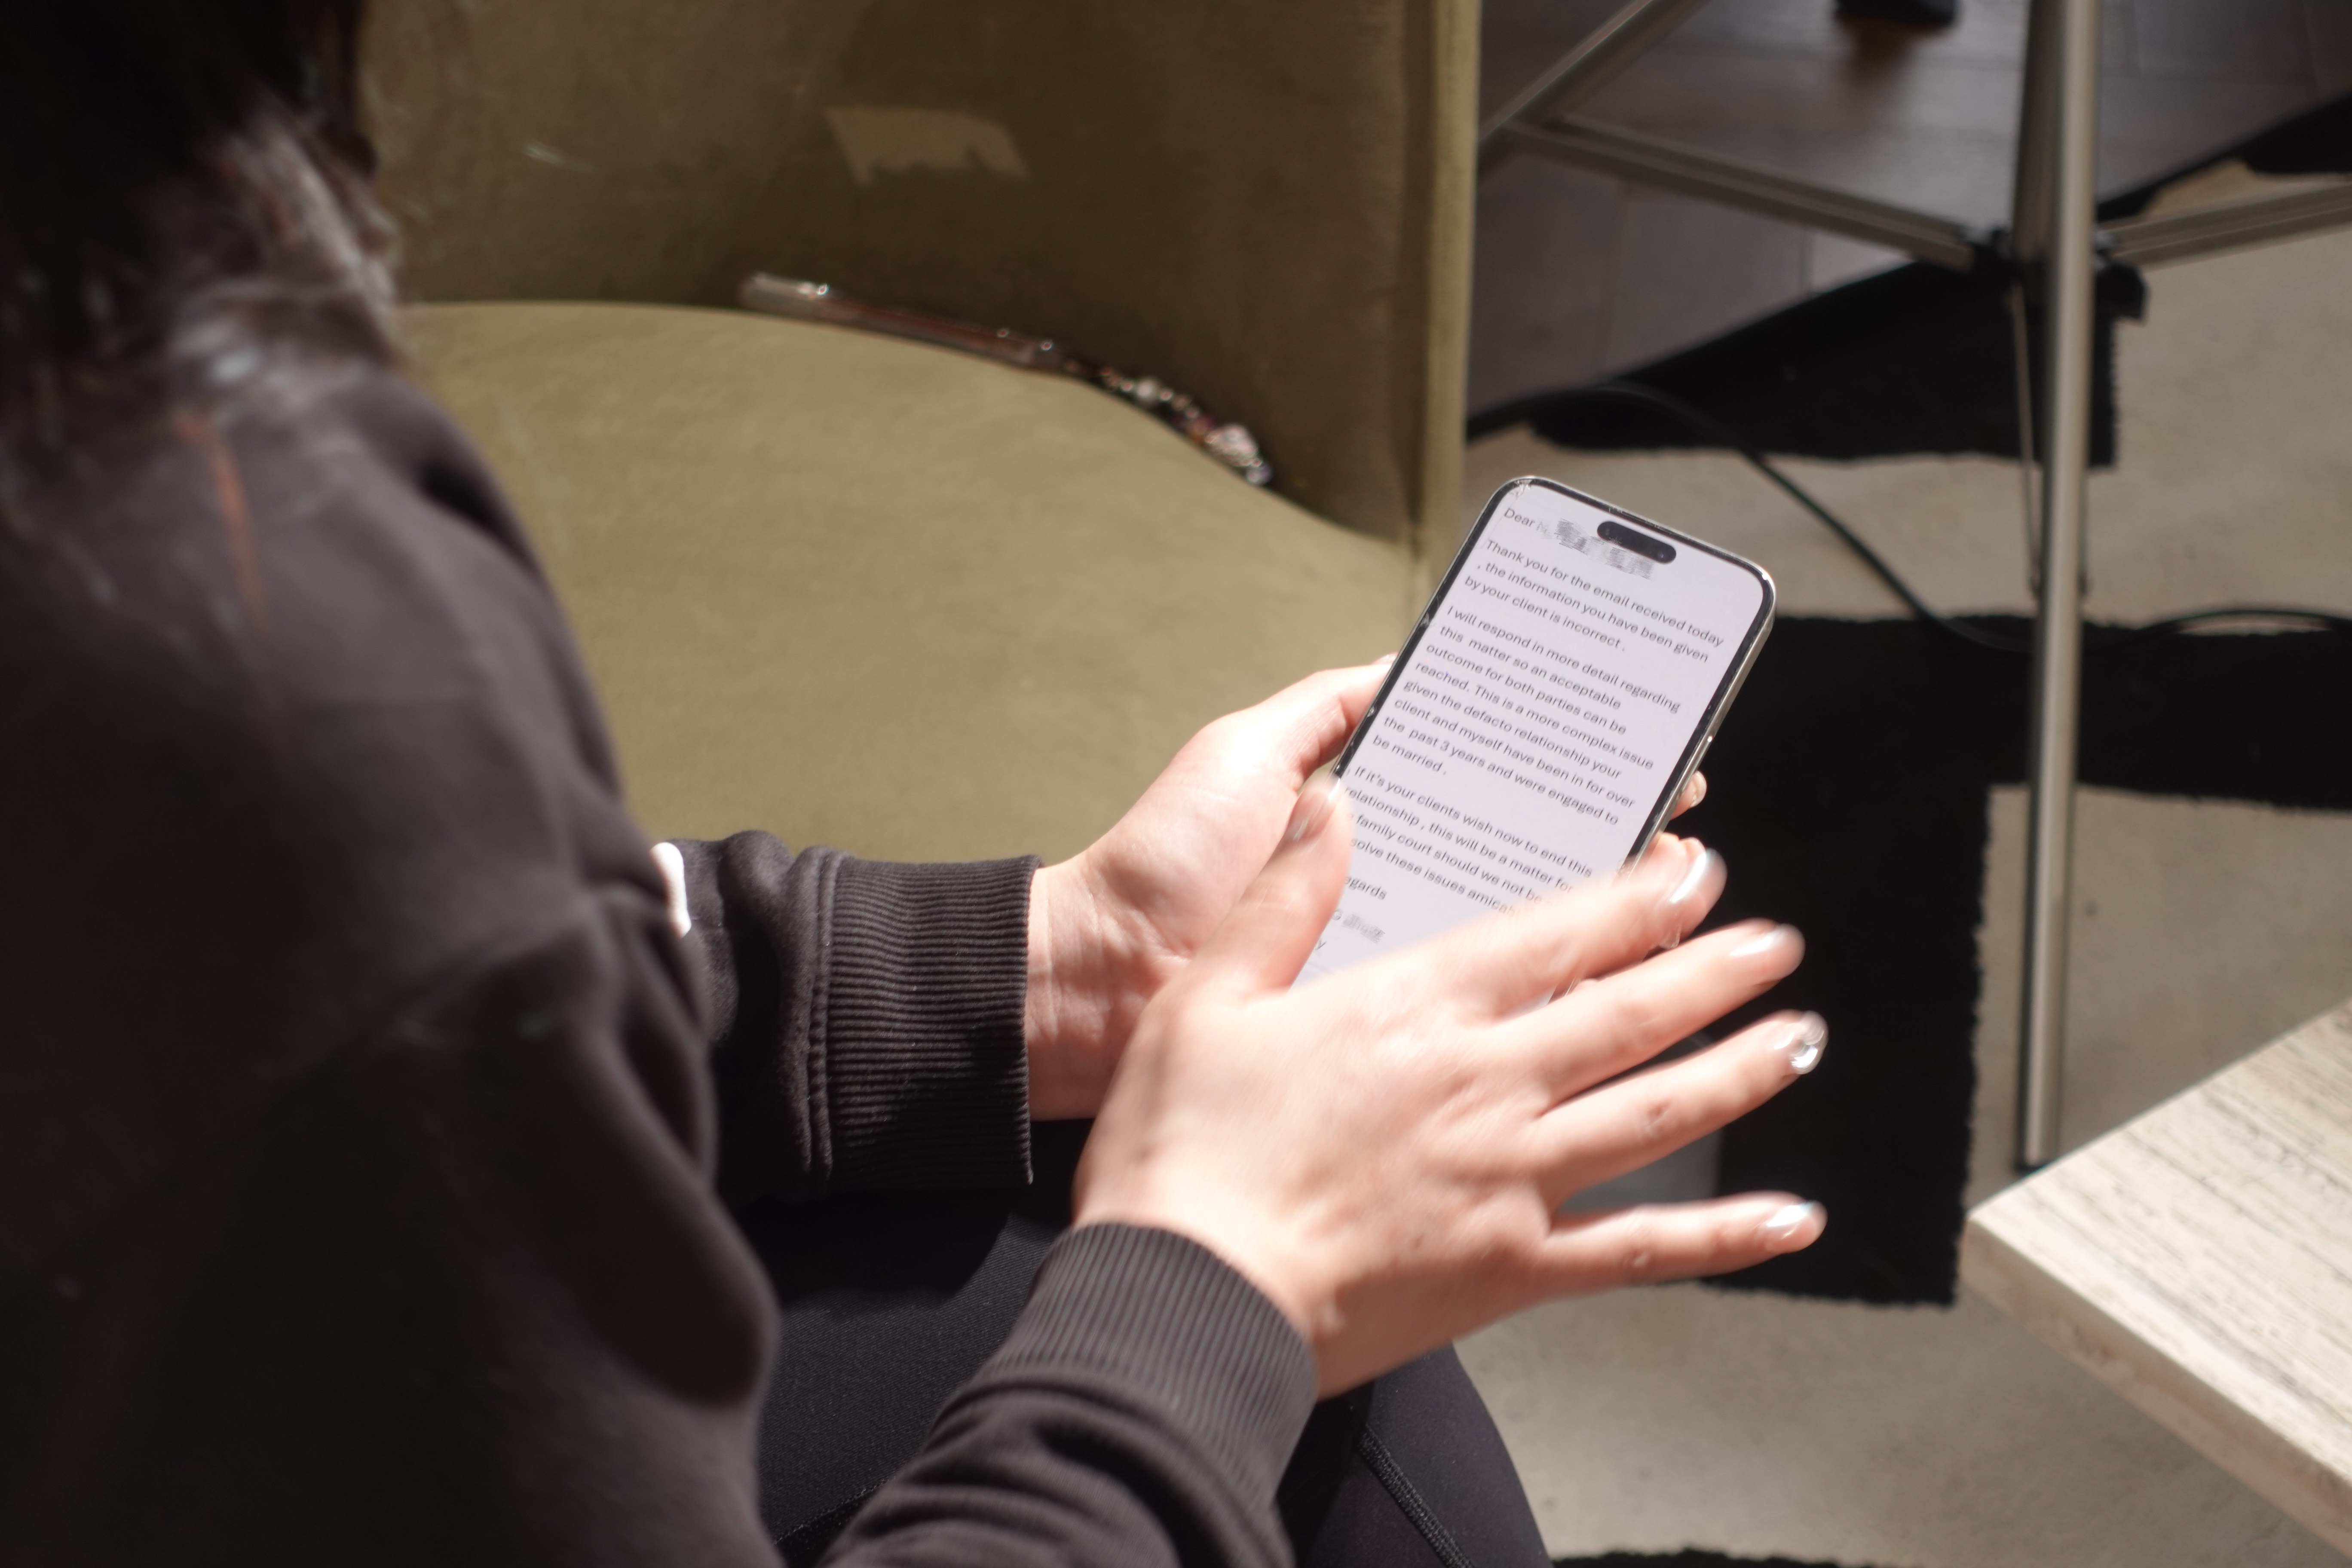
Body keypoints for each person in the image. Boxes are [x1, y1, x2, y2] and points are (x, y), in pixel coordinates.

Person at [0, 3, 1830, 1565]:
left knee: (1098, 1245)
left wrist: (1033, 970)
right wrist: (1218, 1290)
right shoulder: (247, 654)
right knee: (1294, 1388)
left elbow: (366, 1010)